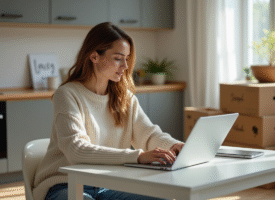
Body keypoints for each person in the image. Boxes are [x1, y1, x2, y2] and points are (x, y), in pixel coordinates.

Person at [33, 22, 184, 200]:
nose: (125, 66)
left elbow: (149, 135)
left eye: (127, 59)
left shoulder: (124, 97)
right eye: (118, 58)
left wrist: (174, 146)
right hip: (65, 183)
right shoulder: (67, 94)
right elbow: (77, 150)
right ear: (94, 56)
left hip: (110, 184)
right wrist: (138, 156)